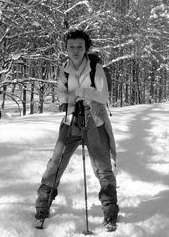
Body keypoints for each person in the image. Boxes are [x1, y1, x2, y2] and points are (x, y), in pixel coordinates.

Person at [34, 29, 119, 229]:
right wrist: (75, 96)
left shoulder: (95, 68)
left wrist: (80, 92)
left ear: (86, 48)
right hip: (71, 120)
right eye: (71, 46)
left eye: (80, 46)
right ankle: (42, 207)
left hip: (94, 121)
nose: (75, 50)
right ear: (66, 48)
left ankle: (110, 212)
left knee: (103, 168)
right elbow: (61, 96)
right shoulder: (64, 69)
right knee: (55, 164)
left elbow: (103, 96)